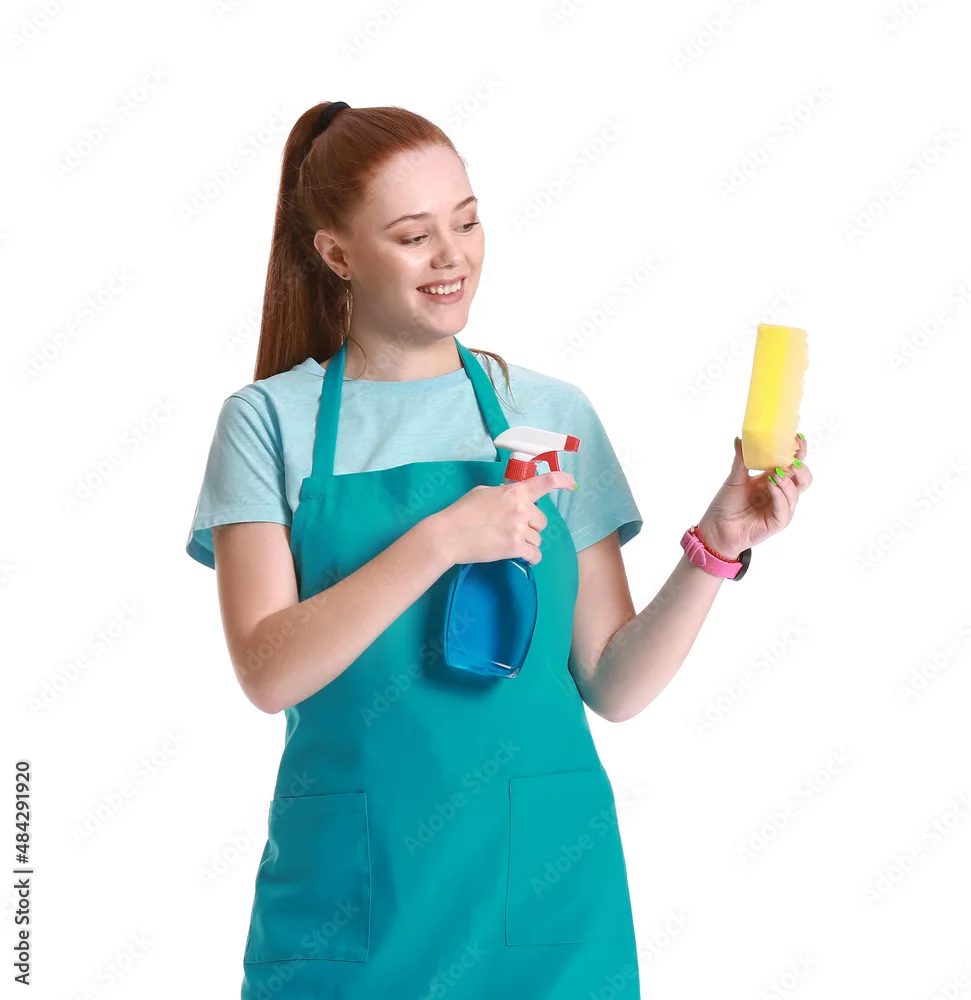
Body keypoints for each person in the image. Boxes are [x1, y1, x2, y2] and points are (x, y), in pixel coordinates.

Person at [186, 102, 811, 1000]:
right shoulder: (268, 423)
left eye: (468, 222)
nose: (453, 257)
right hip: (354, 908)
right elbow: (266, 669)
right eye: (414, 236)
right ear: (336, 254)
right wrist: (443, 538)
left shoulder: (549, 414)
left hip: (544, 903)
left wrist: (714, 548)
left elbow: (612, 681)